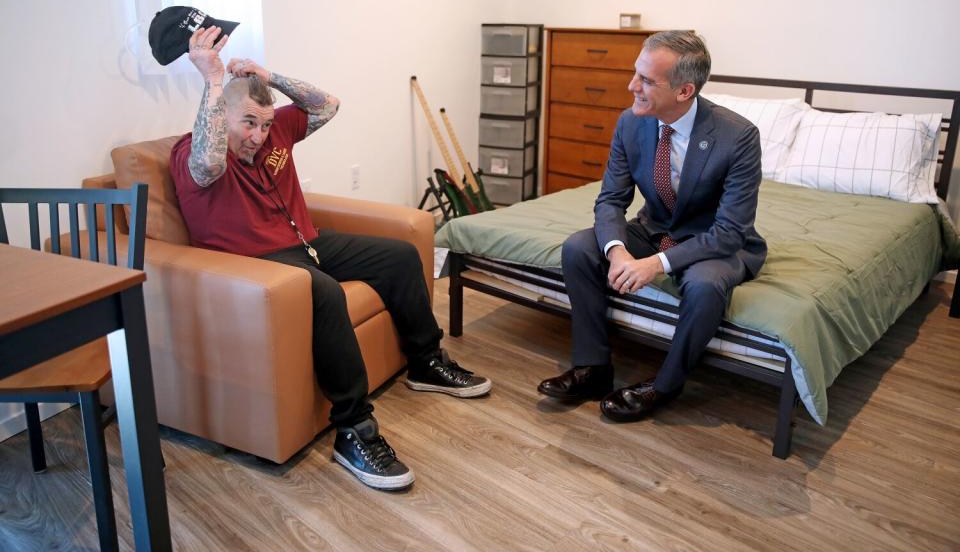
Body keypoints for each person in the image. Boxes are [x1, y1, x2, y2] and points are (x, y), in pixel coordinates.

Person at [170, 25, 491, 490]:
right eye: (248, 123)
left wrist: (269, 75)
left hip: (307, 242)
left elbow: (328, 105)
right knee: (322, 290)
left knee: (400, 256)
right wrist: (214, 81)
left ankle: (426, 362)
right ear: (222, 114)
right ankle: (355, 430)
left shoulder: (276, 128)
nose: (259, 135)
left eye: (264, 124)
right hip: (260, 266)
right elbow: (208, 163)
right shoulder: (194, 151)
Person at [537, 31, 767, 422]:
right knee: (579, 247)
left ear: (684, 91)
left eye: (646, 80)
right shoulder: (631, 123)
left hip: (714, 240)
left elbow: (729, 231)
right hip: (654, 226)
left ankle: (665, 384)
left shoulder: (738, 137)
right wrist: (619, 251)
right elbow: (611, 199)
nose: (632, 86)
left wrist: (656, 264)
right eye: (635, 74)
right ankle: (593, 368)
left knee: (705, 285)